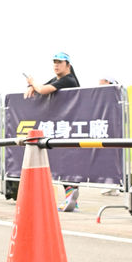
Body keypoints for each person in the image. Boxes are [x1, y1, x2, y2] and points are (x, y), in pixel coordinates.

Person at [25, 51, 81, 211]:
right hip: (61, 125)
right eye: (54, 62)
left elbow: (42, 90)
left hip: (71, 126)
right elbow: (41, 87)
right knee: (64, 161)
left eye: (60, 62)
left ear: (68, 65)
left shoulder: (68, 80)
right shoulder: (58, 79)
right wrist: (32, 86)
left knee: (69, 161)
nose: (56, 65)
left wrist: (32, 82)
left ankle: (72, 198)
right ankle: (71, 199)